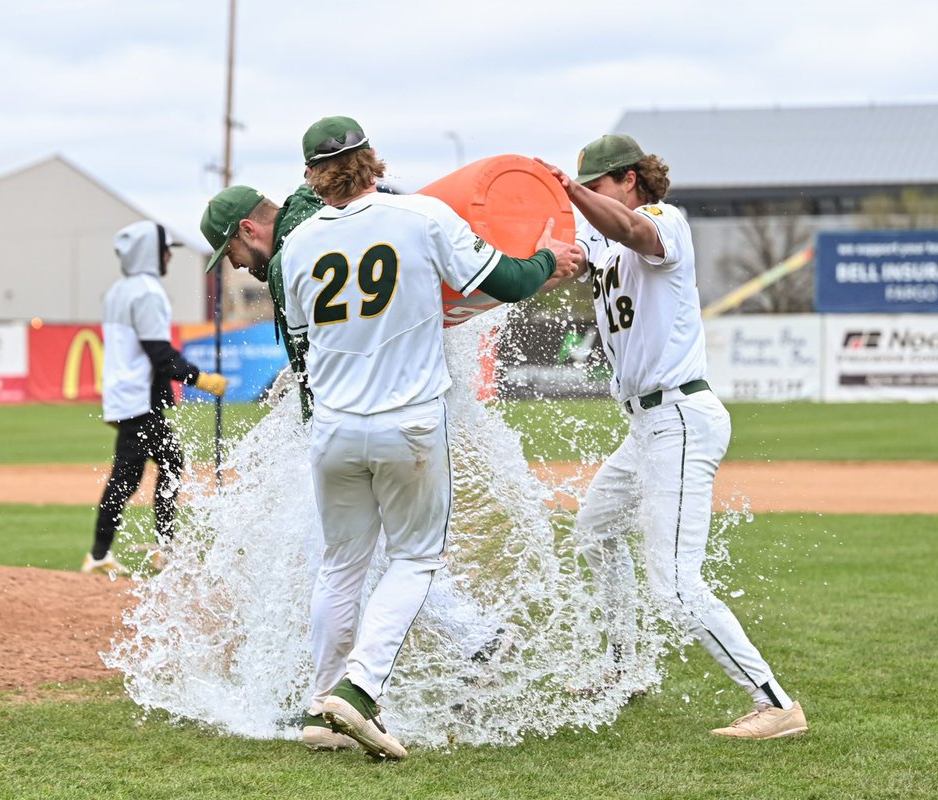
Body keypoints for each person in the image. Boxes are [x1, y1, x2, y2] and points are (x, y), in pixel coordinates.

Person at [280, 115, 580, 759]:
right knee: (414, 558)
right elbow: (509, 281)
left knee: (340, 565)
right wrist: (553, 257)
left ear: (312, 176)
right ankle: (358, 694)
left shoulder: (296, 246)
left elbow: (307, 337)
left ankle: (320, 704)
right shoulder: (419, 216)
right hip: (408, 421)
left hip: (332, 428)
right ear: (372, 163)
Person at [537, 135, 808, 739]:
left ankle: (776, 704)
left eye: (598, 184)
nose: (589, 197)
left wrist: (572, 193)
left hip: (681, 416)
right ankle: (622, 666)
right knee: (596, 532)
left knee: (676, 584)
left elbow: (634, 233)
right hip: (646, 425)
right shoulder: (599, 238)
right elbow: (563, 264)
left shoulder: (665, 221)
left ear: (629, 180)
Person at [82, 220, 227, 577]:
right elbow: (159, 353)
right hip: (138, 399)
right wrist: (201, 378)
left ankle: (157, 547)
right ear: (151, 253)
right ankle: (105, 555)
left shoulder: (120, 290)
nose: (169, 259)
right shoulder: (147, 291)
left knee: (166, 463)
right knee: (129, 477)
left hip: (127, 396)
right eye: (166, 251)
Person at [200, 183, 323, 420]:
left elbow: (314, 369)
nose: (235, 264)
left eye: (229, 252)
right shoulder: (314, 215)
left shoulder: (288, 261)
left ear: (247, 229)